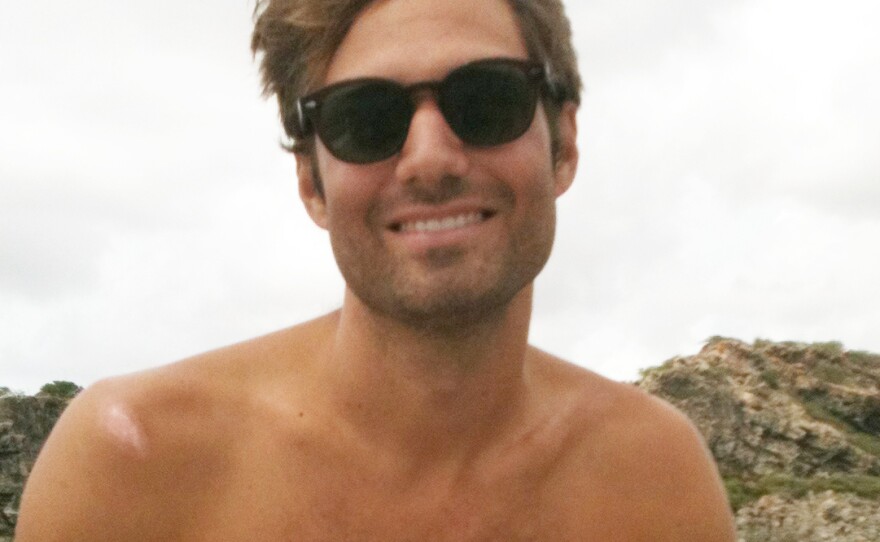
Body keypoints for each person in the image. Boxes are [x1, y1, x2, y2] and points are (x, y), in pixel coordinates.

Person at [16, 0, 737, 539]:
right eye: (366, 119)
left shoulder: (656, 485)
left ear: (564, 142)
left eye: (487, 100)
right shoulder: (132, 465)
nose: (430, 159)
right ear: (311, 180)